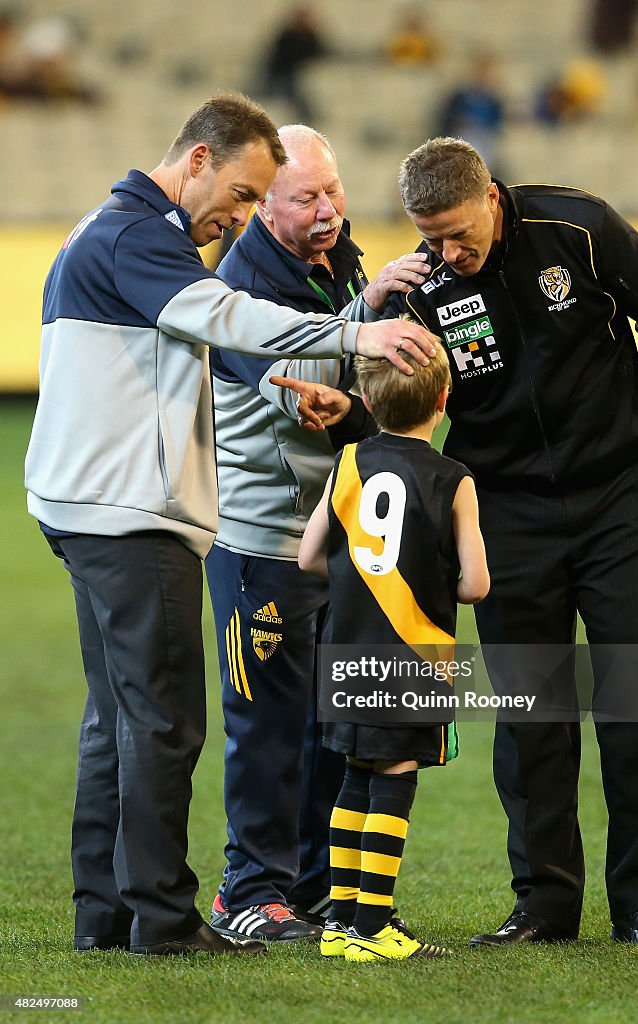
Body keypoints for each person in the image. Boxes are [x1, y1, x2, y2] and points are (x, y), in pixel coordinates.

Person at [23, 92, 437, 958]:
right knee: (166, 725)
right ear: (199, 159)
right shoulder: (139, 235)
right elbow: (224, 317)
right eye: (245, 195)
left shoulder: (107, 228)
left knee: (119, 724)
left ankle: (108, 918)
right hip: (129, 518)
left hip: (88, 505)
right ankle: (166, 923)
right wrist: (356, 337)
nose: (239, 218)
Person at [292, 137, 638, 947]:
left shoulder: (578, 227)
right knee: (530, 713)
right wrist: (351, 411)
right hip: (504, 510)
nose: (445, 251)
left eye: (454, 232)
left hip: (626, 497)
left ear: (488, 196)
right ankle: (542, 904)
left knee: (634, 701)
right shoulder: (422, 288)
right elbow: (400, 398)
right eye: (428, 236)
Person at [205, 124, 430, 944]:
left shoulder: (338, 260)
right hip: (261, 545)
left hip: (332, 542)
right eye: (307, 198)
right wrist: (360, 329)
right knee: (264, 728)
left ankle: (317, 890)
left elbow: (352, 398)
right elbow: (298, 392)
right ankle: (247, 895)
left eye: (333, 190)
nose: (330, 208)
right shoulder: (239, 287)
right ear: (264, 203)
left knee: (333, 725)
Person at [298, 343, 489, 960]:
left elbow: (308, 558)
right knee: (396, 780)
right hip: (414, 655)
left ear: (370, 401)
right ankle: (374, 926)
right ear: (442, 400)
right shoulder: (453, 478)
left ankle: (339, 925)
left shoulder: (348, 460)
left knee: (354, 774)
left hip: (345, 646)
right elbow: (476, 584)